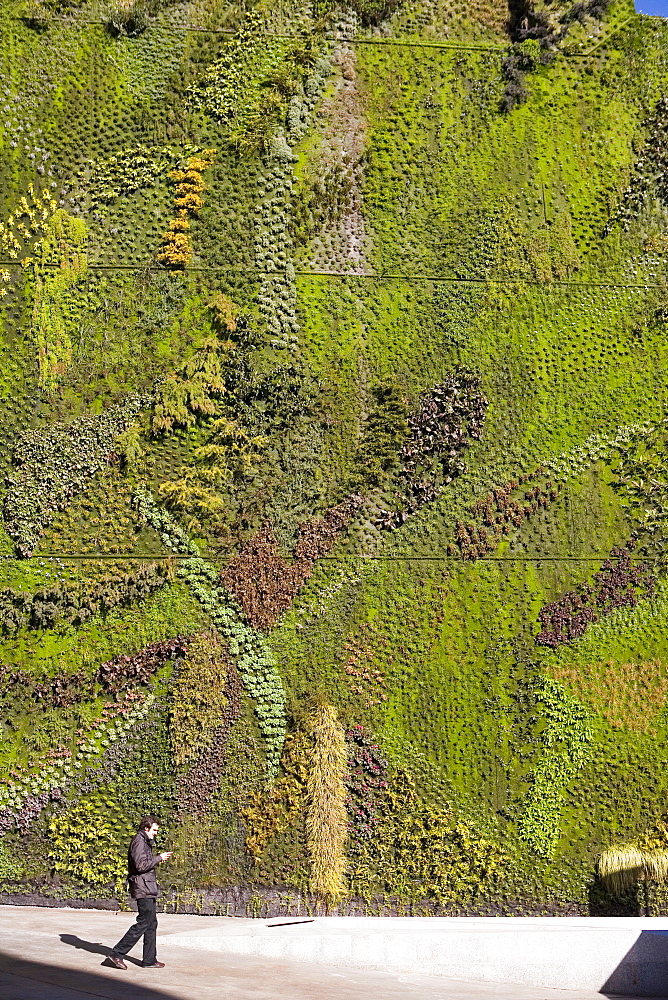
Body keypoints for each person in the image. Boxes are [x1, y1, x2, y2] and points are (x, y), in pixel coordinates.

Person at [108, 816, 173, 970]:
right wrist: (159, 858)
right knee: (144, 922)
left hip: (147, 888)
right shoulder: (139, 842)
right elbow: (140, 866)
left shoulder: (144, 842)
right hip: (143, 888)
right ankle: (117, 953)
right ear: (146, 828)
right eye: (154, 830)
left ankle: (149, 960)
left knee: (151, 923)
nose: (156, 833)